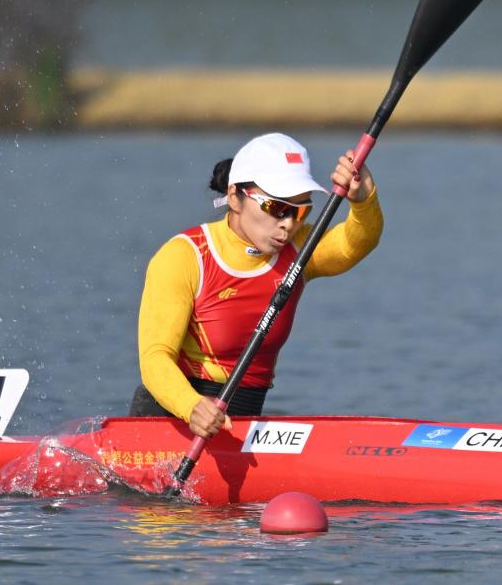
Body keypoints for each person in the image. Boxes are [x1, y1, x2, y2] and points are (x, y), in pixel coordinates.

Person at [130, 132, 382, 439]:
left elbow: (354, 244)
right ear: (235, 197)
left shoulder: (300, 250)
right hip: (171, 424)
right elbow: (155, 357)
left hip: (243, 428)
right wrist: (192, 406)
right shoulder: (185, 256)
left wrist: (364, 200)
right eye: (277, 208)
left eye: (301, 210)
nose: (289, 223)